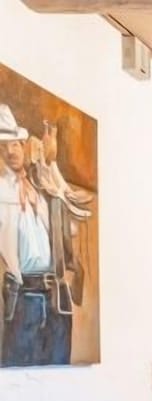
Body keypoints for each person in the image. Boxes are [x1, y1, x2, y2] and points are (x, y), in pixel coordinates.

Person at [0, 104, 74, 366]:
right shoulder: (2, 191)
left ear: (24, 146)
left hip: (56, 296)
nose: (10, 152)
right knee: (19, 371)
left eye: (15, 144)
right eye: (3, 147)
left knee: (61, 369)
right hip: (23, 296)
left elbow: (71, 224)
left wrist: (51, 164)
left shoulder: (41, 187)